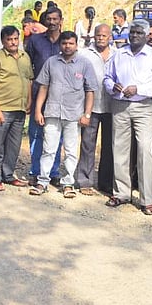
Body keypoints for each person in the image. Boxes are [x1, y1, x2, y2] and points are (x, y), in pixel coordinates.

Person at [103, 19, 152, 214]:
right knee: (120, 149)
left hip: (144, 107)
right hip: (120, 105)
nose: (134, 36)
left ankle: (146, 199)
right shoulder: (119, 54)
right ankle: (122, 193)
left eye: (139, 33)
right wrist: (111, 86)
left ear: (147, 35)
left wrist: (139, 89)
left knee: (144, 151)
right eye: (132, 32)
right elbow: (107, 77)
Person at [30, 31, 96, 197]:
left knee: (71, 151)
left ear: (76, 44)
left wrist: (87, 114)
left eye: (71, 43)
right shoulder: (51, 62)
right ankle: (42, 181)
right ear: (60, 45)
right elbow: (43, 87)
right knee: (49, 149)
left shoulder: (84, 64)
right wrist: (38, 110)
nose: (67, 46)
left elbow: (90, 91)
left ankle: (68, 184)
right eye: (64, 43)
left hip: (74, 115)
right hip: (52, 112)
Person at [0, 25, 33, 191]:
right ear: (3, 41)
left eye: (15, 39)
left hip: (19, 108)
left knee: (14, 145)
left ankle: (7, 175)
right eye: (9, 40)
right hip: (3, 108)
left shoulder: (24, 56)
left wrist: (29, 101)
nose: (13, 42)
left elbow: (28, 80)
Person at [25, 7, 64, 185]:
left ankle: (53, 171)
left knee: (57, 134)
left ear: (61, 21)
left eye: (55, 19)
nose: (52, 22)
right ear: (44, 21)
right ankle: (36, 169)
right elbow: (29, 68)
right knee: (36, 133)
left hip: (60, 96)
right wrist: (29, 97)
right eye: (49, 19)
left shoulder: (67, 41)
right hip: (37, 93)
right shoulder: (35, 40)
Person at [76, 24, 115, 196]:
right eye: (98, 35)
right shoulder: (84, 54)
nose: (100, 38)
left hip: (113, 107)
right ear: (93, 36)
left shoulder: (118, 54)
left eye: (104, 36)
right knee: (87, 144)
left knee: (110, 146)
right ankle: (85, 180)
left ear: (110, 37)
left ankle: (106, 182)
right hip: (90, 107)